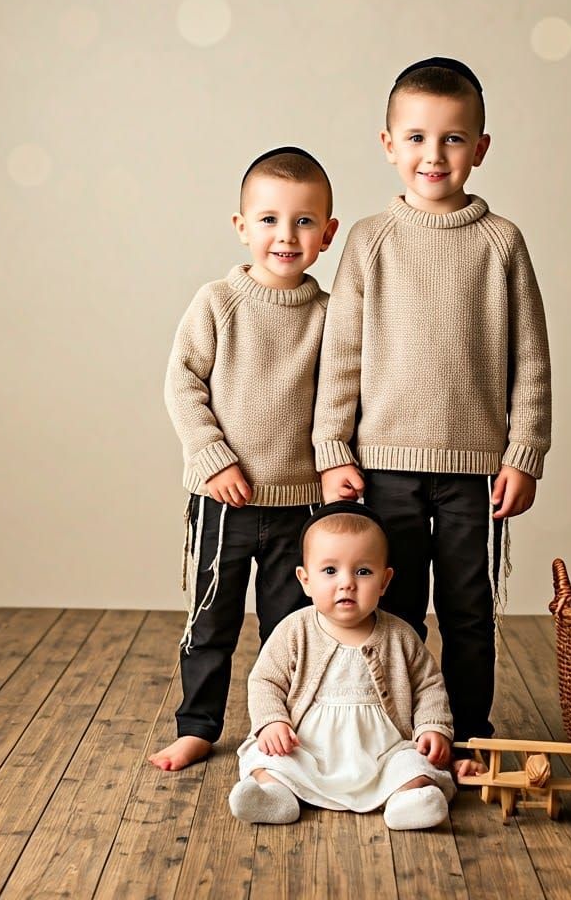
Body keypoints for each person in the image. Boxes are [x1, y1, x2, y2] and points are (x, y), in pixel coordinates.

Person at [312, 58, 551, 773]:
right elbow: (342, 354)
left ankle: (469, 733)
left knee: (471, 611)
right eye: (416, 137)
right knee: (398, 610)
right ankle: (399, 733)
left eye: (452, 139)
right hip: (383, 465)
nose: (433, 155)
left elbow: (530, 359)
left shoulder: (501, 243)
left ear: (480, 148)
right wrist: (332, 447)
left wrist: (524, 452)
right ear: (388, 144)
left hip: (472, 468)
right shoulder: (367, 240)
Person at [149, 147, 339, 771]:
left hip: (301, 506)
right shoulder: (218, 303)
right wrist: (212, 457)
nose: (286, 236)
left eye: (304, 222)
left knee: (293, 630)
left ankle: (287, 727)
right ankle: (198, 724)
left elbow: (348, 393)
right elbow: (182, 383)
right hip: (223, 501)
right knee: (212, 621)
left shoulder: (331, 314)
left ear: (328, 233)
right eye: (268, 220)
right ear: (241, 226)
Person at [229, 502, 455, 829]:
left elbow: (428, 685)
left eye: (363, 571)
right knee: (265, 758)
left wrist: (432, 726)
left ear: (384, 581)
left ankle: (406, 799)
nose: (347, 582)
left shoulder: (400, 636)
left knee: (414, 764)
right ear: (305, 580)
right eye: (330, 571)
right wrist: (272, 722)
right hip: (307, 748)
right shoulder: (295, 630)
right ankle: (276, 794)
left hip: (383, 750)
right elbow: (265, 682)